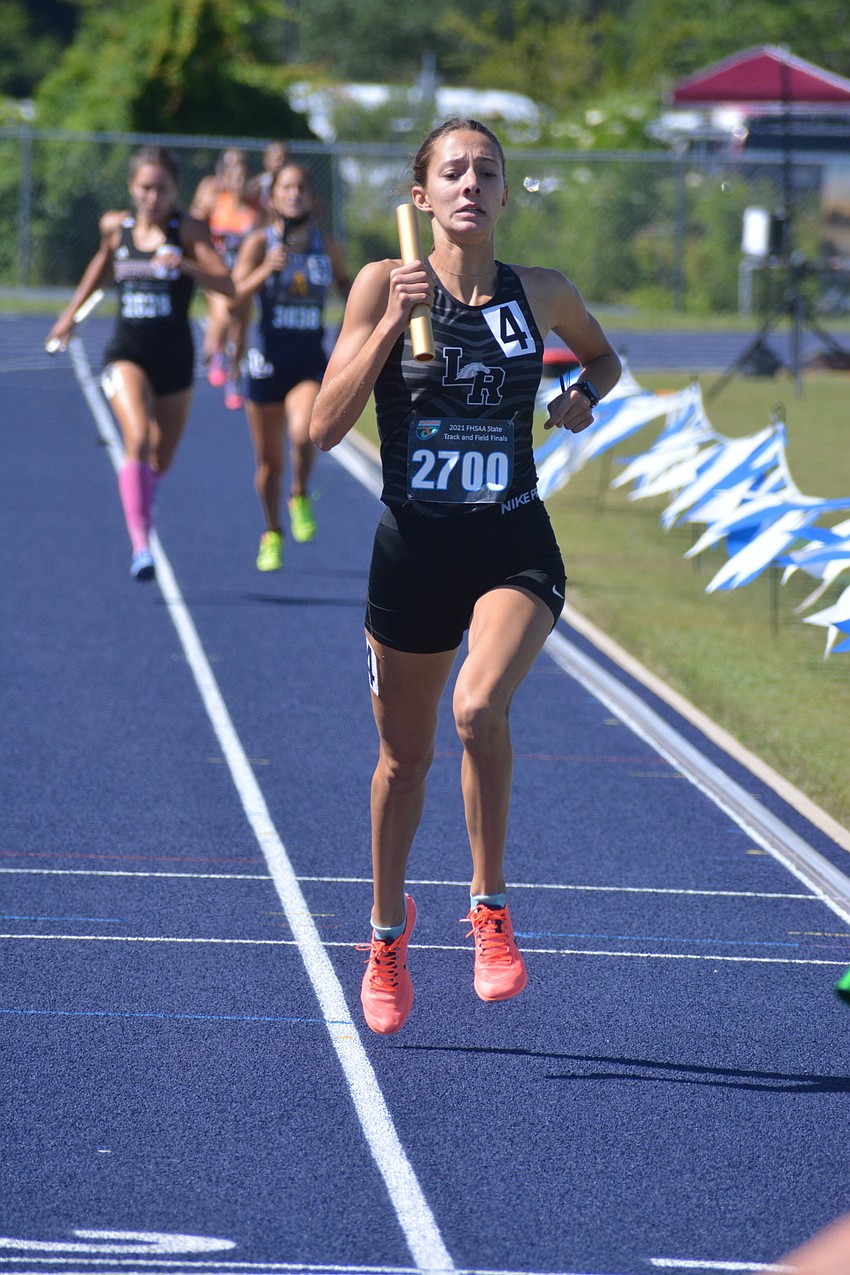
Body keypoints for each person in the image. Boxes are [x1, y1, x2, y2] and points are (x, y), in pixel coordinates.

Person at [309, 116, 621, 1034]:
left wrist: (581, 397)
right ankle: (384, 934)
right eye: (453, 172)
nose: (471, 184)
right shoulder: (381, 283)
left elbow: (605, 356)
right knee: (404, 762)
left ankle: (488, 912)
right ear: (423, 197)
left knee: (479, 708)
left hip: (510, 542)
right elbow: (325, 427)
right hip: (413, 549)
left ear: (503, 192)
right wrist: (383, 330)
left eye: (487, 171)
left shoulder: (543, 292)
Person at [46, 145, 234, 581]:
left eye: (162, 189)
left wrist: (185, 264)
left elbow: (227, 284)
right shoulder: (119, 229)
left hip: (173, 358)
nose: (153, 197)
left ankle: (143, 495)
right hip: (126, 352)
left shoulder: (187, 230)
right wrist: (69, 316)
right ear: (132, 188)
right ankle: (141, 546)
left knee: (161, 458)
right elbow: (101, 264)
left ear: (174, 190)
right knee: (137, 438)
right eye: (145, 188)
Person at [231, 162, 351, 569]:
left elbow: (348, 287)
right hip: (265, 362)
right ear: (273, 197)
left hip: (308, 361)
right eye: (287, 187)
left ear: (312, 198)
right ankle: (271, 530)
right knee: (268, 465)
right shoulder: (257, 243)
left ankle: (299, 492)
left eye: (301, 187)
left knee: (304, 434)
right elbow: (233, 295)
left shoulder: (326, 243)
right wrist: (266, 269)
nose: (294, 193)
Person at [189, 148, 260, 407]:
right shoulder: (216, 202)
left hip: (244, 275)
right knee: (222, 312)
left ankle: (234, 376)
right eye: (234, 177)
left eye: (243, 178)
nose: (238, 183)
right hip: (218, 272)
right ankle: (215, 351)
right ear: (226, 179)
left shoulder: (257, 211)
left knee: (240, 328)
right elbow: (194, 222)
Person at [246, 140, 290, 215]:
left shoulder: (295, 183)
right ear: (266, 161)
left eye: (284, 158)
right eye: (276, 159)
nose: (280, 163)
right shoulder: (259, 184)